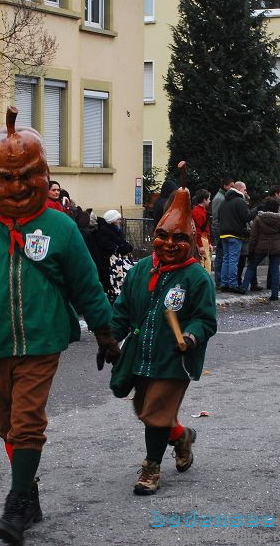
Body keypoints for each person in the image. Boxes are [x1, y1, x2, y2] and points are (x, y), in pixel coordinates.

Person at [0, 107, 118, 545]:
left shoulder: (59, 227)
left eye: (28, 175)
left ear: (45, 173)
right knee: (5, 422)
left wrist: (106, 332)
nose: (17, 186)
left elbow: (86, 285)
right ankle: (31, 491)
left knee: (25, 421)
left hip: (43, 340)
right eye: (5, 177)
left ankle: (17, 503)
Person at [109, 173, 217, 495]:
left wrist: (192, 336)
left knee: (155, 412)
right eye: (163, 236)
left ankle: (151, 469)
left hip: (174, 359)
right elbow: (123, 309)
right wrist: (110, 337)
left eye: (179, 238)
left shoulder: (197, 278)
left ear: (191, 240)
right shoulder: (141, 270)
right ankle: (180, 436)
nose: (170, 244)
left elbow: (206, 320)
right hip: (142, 354)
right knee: (146, 410)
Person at [242, 197, 280, 301]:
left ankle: (244, 287)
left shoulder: (258, 218)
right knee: (275, 269)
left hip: (260, 246)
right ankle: (275, 294)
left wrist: (251, 250)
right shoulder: (279, 219)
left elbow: (253, 236)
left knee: (252, 266)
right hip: (275, 246)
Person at [90, 209, 134, 303]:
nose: (120, 221)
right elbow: (108, 245)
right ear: (112, 220)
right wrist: (120, 248)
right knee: (115, 281)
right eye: (118, 219)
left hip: (116, 262)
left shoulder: (114, 230)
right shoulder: (106, 231)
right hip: (111, 263)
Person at [216, 181, 252, 294]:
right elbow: (246, 217)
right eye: (245, 189)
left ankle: (224, 283)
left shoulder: (224, 201)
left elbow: (219, 217)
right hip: (235, 235)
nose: (246, 191)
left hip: (224, 234)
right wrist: (256, 210)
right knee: (233, 260)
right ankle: (233, 284)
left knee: (226, 259)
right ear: (240, 189)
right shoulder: (239, 201)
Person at [211, 179, 233, 285]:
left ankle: (220, 279)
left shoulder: (223, 197)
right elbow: (216, 217)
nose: (232, 188)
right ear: (225, 186)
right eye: (231, 186)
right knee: (220, 255)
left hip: (220, 228)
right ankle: (219, 279)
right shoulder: (220, 198)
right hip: (220, 229)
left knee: (222, 254)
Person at [191, 189, 212, 272]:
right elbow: (198, 230)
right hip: (202, 240)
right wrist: (201, 245)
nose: (210, 201)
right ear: (204, 199)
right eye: (209, 199)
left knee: (205, 262)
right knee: (205, 263)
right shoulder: (199, 212)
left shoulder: (197, 211)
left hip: (203, 239)